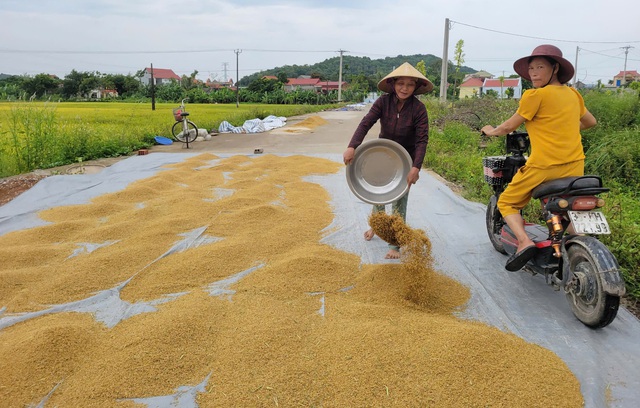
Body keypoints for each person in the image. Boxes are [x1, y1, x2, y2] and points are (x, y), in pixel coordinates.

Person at [481, 44, 597, 271]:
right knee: (566, 208)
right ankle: (571, 243)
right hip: (576, 166)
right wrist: (563, 128)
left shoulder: (535, 95)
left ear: (554, 68)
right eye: (531, 68)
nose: (533, 73)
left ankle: (524, 242)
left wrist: (490, 130)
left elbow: (508, 126)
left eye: (540, 67)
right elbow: (590, 122)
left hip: (544, 166)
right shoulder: (573, 94)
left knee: (507, 201)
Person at [343, 62, 433, 259]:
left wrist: (416, 167)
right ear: (393, 84)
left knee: (400, 199)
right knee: (377, 193)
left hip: (405, 159)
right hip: (382, 155)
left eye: (410, 85)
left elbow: (421, 140)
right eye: (401, 83)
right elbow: (366, 122)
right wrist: (352, 145)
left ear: (416, 87)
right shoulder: (383, 102)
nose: (405, 88)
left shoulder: (418, 109)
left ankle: (395, 244)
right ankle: (377, 227)